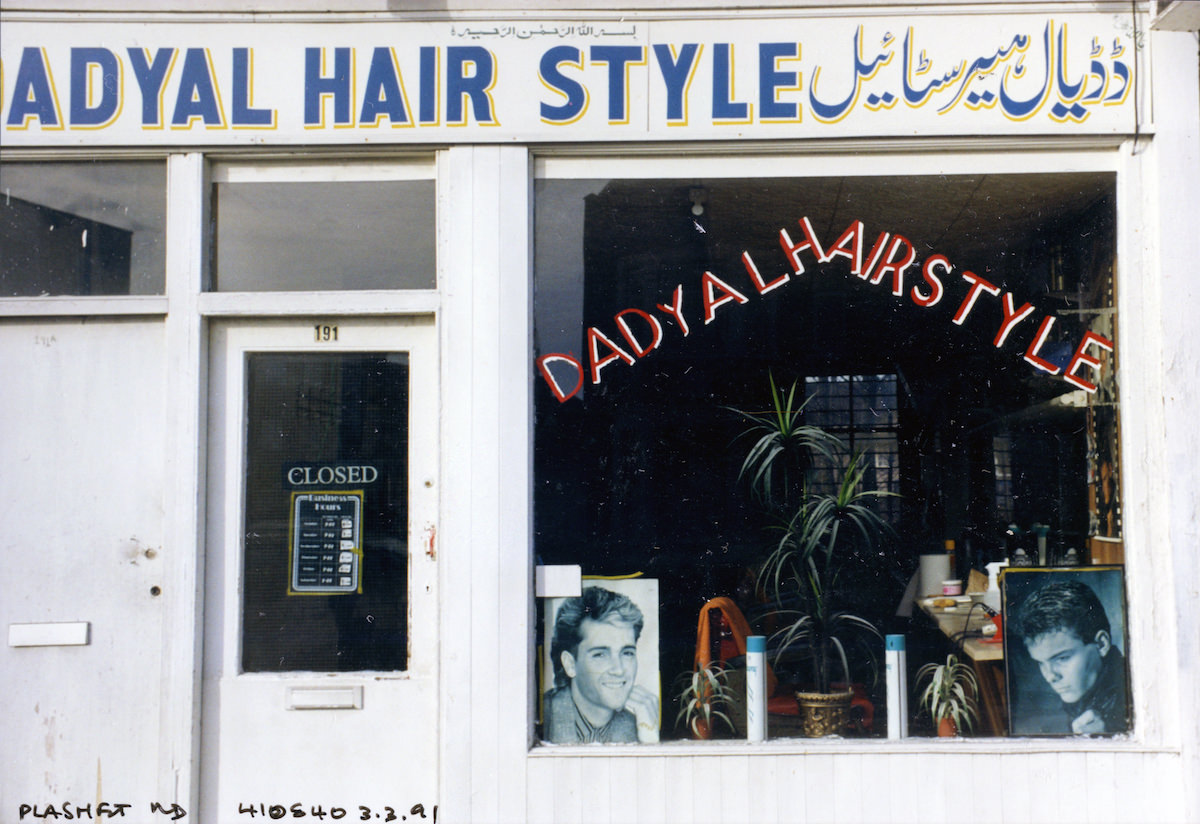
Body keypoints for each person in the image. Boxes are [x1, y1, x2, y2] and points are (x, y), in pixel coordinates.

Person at [543, 586, 659, 744]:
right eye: (600, 655)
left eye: (627, 653)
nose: (618, 670)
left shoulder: (639, 724)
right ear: (570, 664)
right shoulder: (541, 718)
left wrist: (650, 740)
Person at [1015, 579, 1129, 734]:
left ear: (1101, 644)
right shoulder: (1085, 695)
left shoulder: (1134, 698)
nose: (1050, 676)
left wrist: (1113, 732)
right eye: (1041, 663)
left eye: (1062, 658)